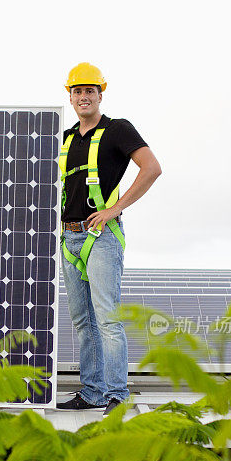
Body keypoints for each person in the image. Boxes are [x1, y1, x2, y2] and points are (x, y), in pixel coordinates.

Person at [56, 62, 162, 415]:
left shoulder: (117, 130)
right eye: (77, 91)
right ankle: (92, 392)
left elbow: (151, 168)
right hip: (69, 240)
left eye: (90, 91)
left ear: (101, 94)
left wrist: (114, 208)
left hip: (100, 237)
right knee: (83, 321)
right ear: (69, 97)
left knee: (107, 319)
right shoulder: (68, 138)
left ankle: (117, 394)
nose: (83, 97)